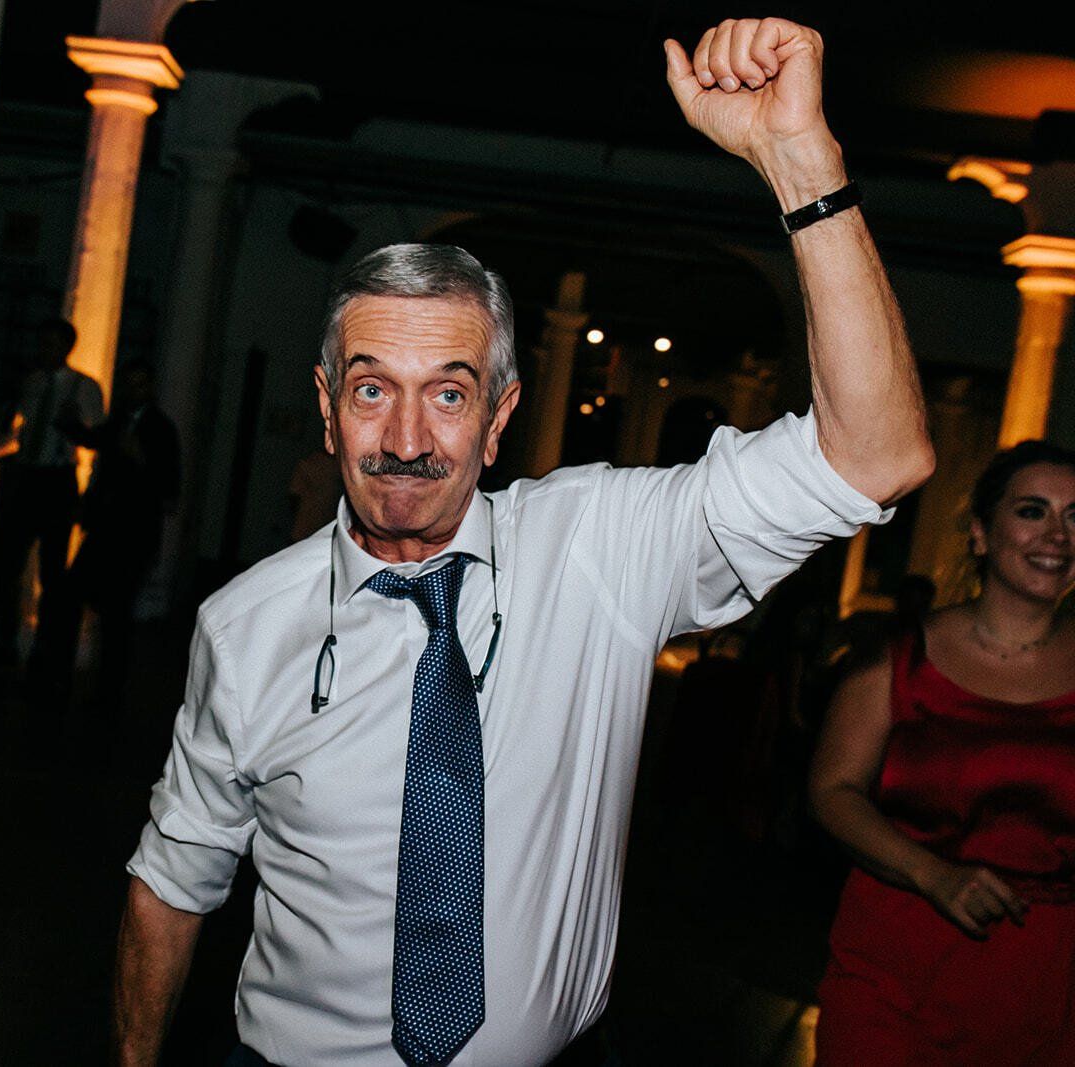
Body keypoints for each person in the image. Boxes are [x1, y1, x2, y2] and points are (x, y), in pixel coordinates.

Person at [114, 18, 935, 1066]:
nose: (405, 440)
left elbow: (879, 455)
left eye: (448, 394)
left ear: (499, 417)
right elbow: (171, 882)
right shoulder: (245, 626)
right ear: (326, 408)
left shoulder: (600, 546)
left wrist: (798, 160)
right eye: (372, 390)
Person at [809, 440, 1075, 1065]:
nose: (1058, 535)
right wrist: (933, 874)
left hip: (1046, 978)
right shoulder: (899, 657)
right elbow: (831, 791)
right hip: (897, 963)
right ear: (980, 533)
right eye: (1032, 511)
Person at [39, 361, 181, 707]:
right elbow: (94, 440)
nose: (133, 391)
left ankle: (108, 691)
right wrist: (69, 424)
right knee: (73, 596)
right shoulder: (119, 421)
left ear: (150, 388)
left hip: (134, 536)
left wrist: (142, 460)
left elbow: (169, 487)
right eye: (129, 384)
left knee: (116, 614)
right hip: (105, 530)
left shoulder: (161, 428)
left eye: (140, 384)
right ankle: (61, 676)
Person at [0, 317, 103, 660]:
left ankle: (46, 646)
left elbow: (96, 440)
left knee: (52, 569)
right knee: (8, 562)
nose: (44, 350)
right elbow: (20, 435)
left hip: (57, 481)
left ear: (66, 347)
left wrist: (88, 492)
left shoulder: (84, 387)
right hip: (27, 477)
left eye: (51, 343)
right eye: (42, 343)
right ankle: (4, 639)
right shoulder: (32, 383)